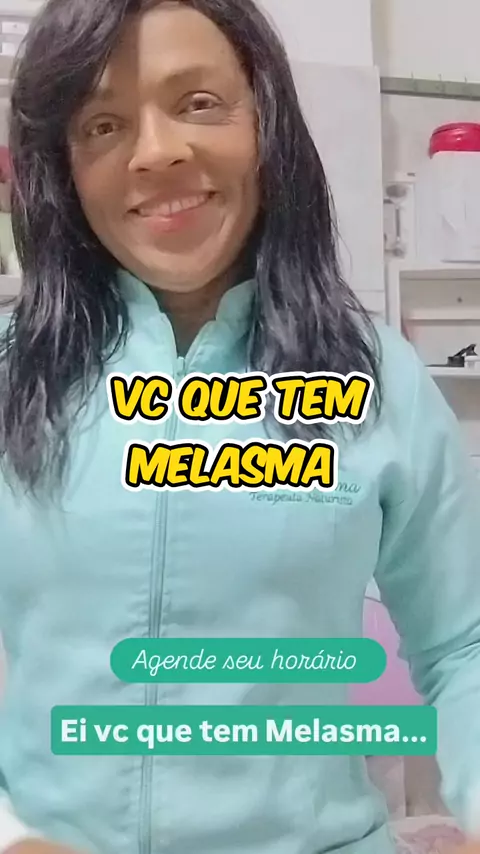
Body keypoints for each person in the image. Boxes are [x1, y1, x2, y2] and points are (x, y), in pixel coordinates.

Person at [0, 0, 479, 852]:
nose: (156, 152)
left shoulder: (374, 377)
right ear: (62, 168)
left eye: (198, 103)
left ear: (266, 125)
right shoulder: (13, 370)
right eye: (103, 123)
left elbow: (465, 643)